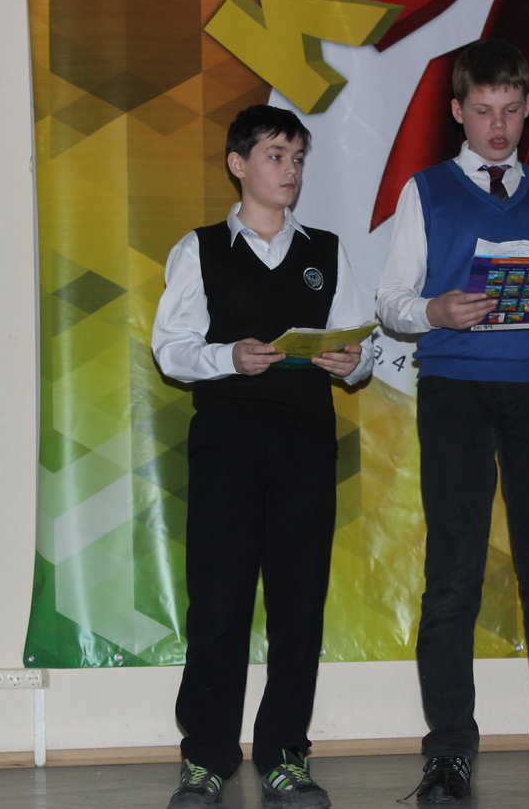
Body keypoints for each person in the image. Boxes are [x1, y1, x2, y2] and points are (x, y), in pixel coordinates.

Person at [375, 39, 529, 802]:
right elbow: (392, 302)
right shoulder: (426, 191)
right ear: (458, 112)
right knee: (453, 574)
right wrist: (435, 310)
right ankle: (448, 751)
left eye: (511, 110)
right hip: (455, 392)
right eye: (483, 111)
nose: (499, 126)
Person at [152, 104, 375, 809]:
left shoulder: (327, 251)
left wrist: (351, 361)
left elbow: (362, 347)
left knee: (298, 604)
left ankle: (285, 754)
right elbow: (171, 348)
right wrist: (230, 357)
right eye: (276, 156)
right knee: (218, 601)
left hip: (306, 442)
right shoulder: (200, 249)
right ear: (238, 163)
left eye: (298, 158)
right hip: (228, 442)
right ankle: (206, 758)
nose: (290, 170)